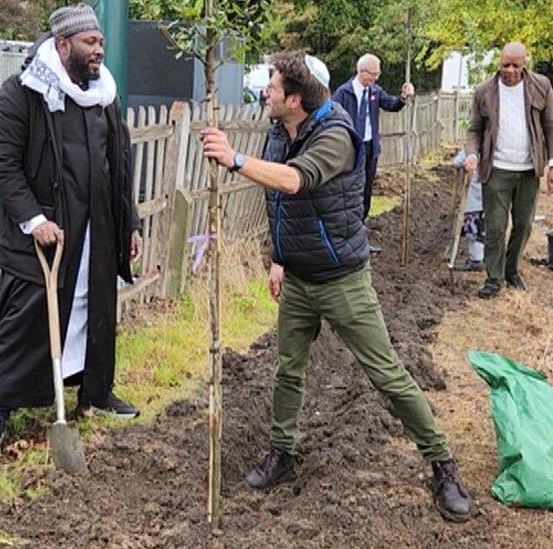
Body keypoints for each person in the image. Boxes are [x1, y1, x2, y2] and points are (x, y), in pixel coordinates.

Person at [200, 51, 472, 522]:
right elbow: (276, 204)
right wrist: (278, 258)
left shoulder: (336, 134)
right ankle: (282, 453)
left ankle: (442, 464)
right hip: (299, 278)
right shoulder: (277, 129)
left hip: (343, 278)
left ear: (296, 99)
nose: (265, 91)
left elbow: (292, 182)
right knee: (288, 370)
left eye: (273, 86)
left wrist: (234, 160)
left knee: (386, 375)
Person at [0, 4, 142, 461]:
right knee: (22, 323)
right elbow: (1, 160)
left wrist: (130, 222)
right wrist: (33, 219)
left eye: (101, 42)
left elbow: (118, 164)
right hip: (44, 237)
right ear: (63, 45)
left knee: (93, 309)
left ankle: (95, 392)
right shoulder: (23, 92)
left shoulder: (102, 94)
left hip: (97, 232)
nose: (99, 50)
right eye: (90, 43)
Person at [464, 42, 553, 299]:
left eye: (515, 66)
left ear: (524, 64)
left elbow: (551, 126)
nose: (509, 70)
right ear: (499, 62)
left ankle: (511, 270)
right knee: (495, 226)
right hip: (496, 169)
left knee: (524, 224)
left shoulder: (541, 86)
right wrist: (472, 154)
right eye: (505, 64)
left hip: (529, 170)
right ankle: (493, 278)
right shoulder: (485, 90)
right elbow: (474, 129)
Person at [331, 54, 414, 233]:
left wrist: (403, 97)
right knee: (350, 189)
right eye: (373, 74)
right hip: (350, 149)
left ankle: (361, 228)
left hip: (370, 148)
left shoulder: (375, 92)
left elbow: (391, 105)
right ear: (361, 71)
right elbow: (332, 118)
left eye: (377, 74)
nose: (376, 78)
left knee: (366, 189)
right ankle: (346, 229)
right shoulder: (343, 93)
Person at [451, 150, 485, 271]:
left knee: (474, 228)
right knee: (485, 228)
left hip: (476, 196)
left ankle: (476, 260)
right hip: (493, 196)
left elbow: (456, 162)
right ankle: (485, 256)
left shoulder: (471, 147)